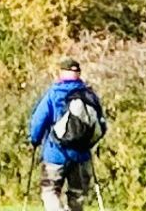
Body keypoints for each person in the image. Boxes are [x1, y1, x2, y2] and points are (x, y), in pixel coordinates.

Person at [26, 58, 107, 211]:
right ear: (79, 74)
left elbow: (38, 120)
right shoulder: (89, 95)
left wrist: (34, 139)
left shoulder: (53, 94)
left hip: (55, 154)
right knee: (77, 195)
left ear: (61, 73)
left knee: (50, 191)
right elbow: (101, 125)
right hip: (82, 155)